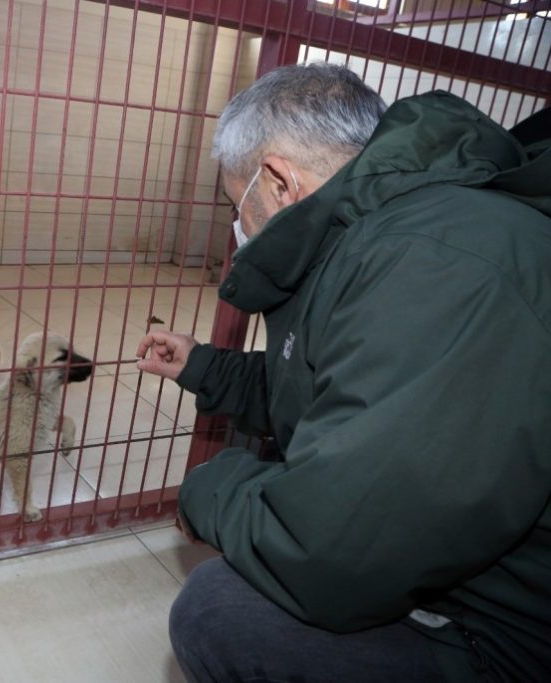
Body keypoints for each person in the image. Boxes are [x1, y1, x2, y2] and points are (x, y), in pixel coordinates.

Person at [135, 63, 551, 682]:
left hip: (508, 631)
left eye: (236, 202)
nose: (238, 225)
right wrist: (201, 365)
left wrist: (208, 489)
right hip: (463, 574)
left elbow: (330, 551)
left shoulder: (435, 263)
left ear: (277, 181)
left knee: (220, 613)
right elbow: (323, 385)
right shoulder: (372, 238)